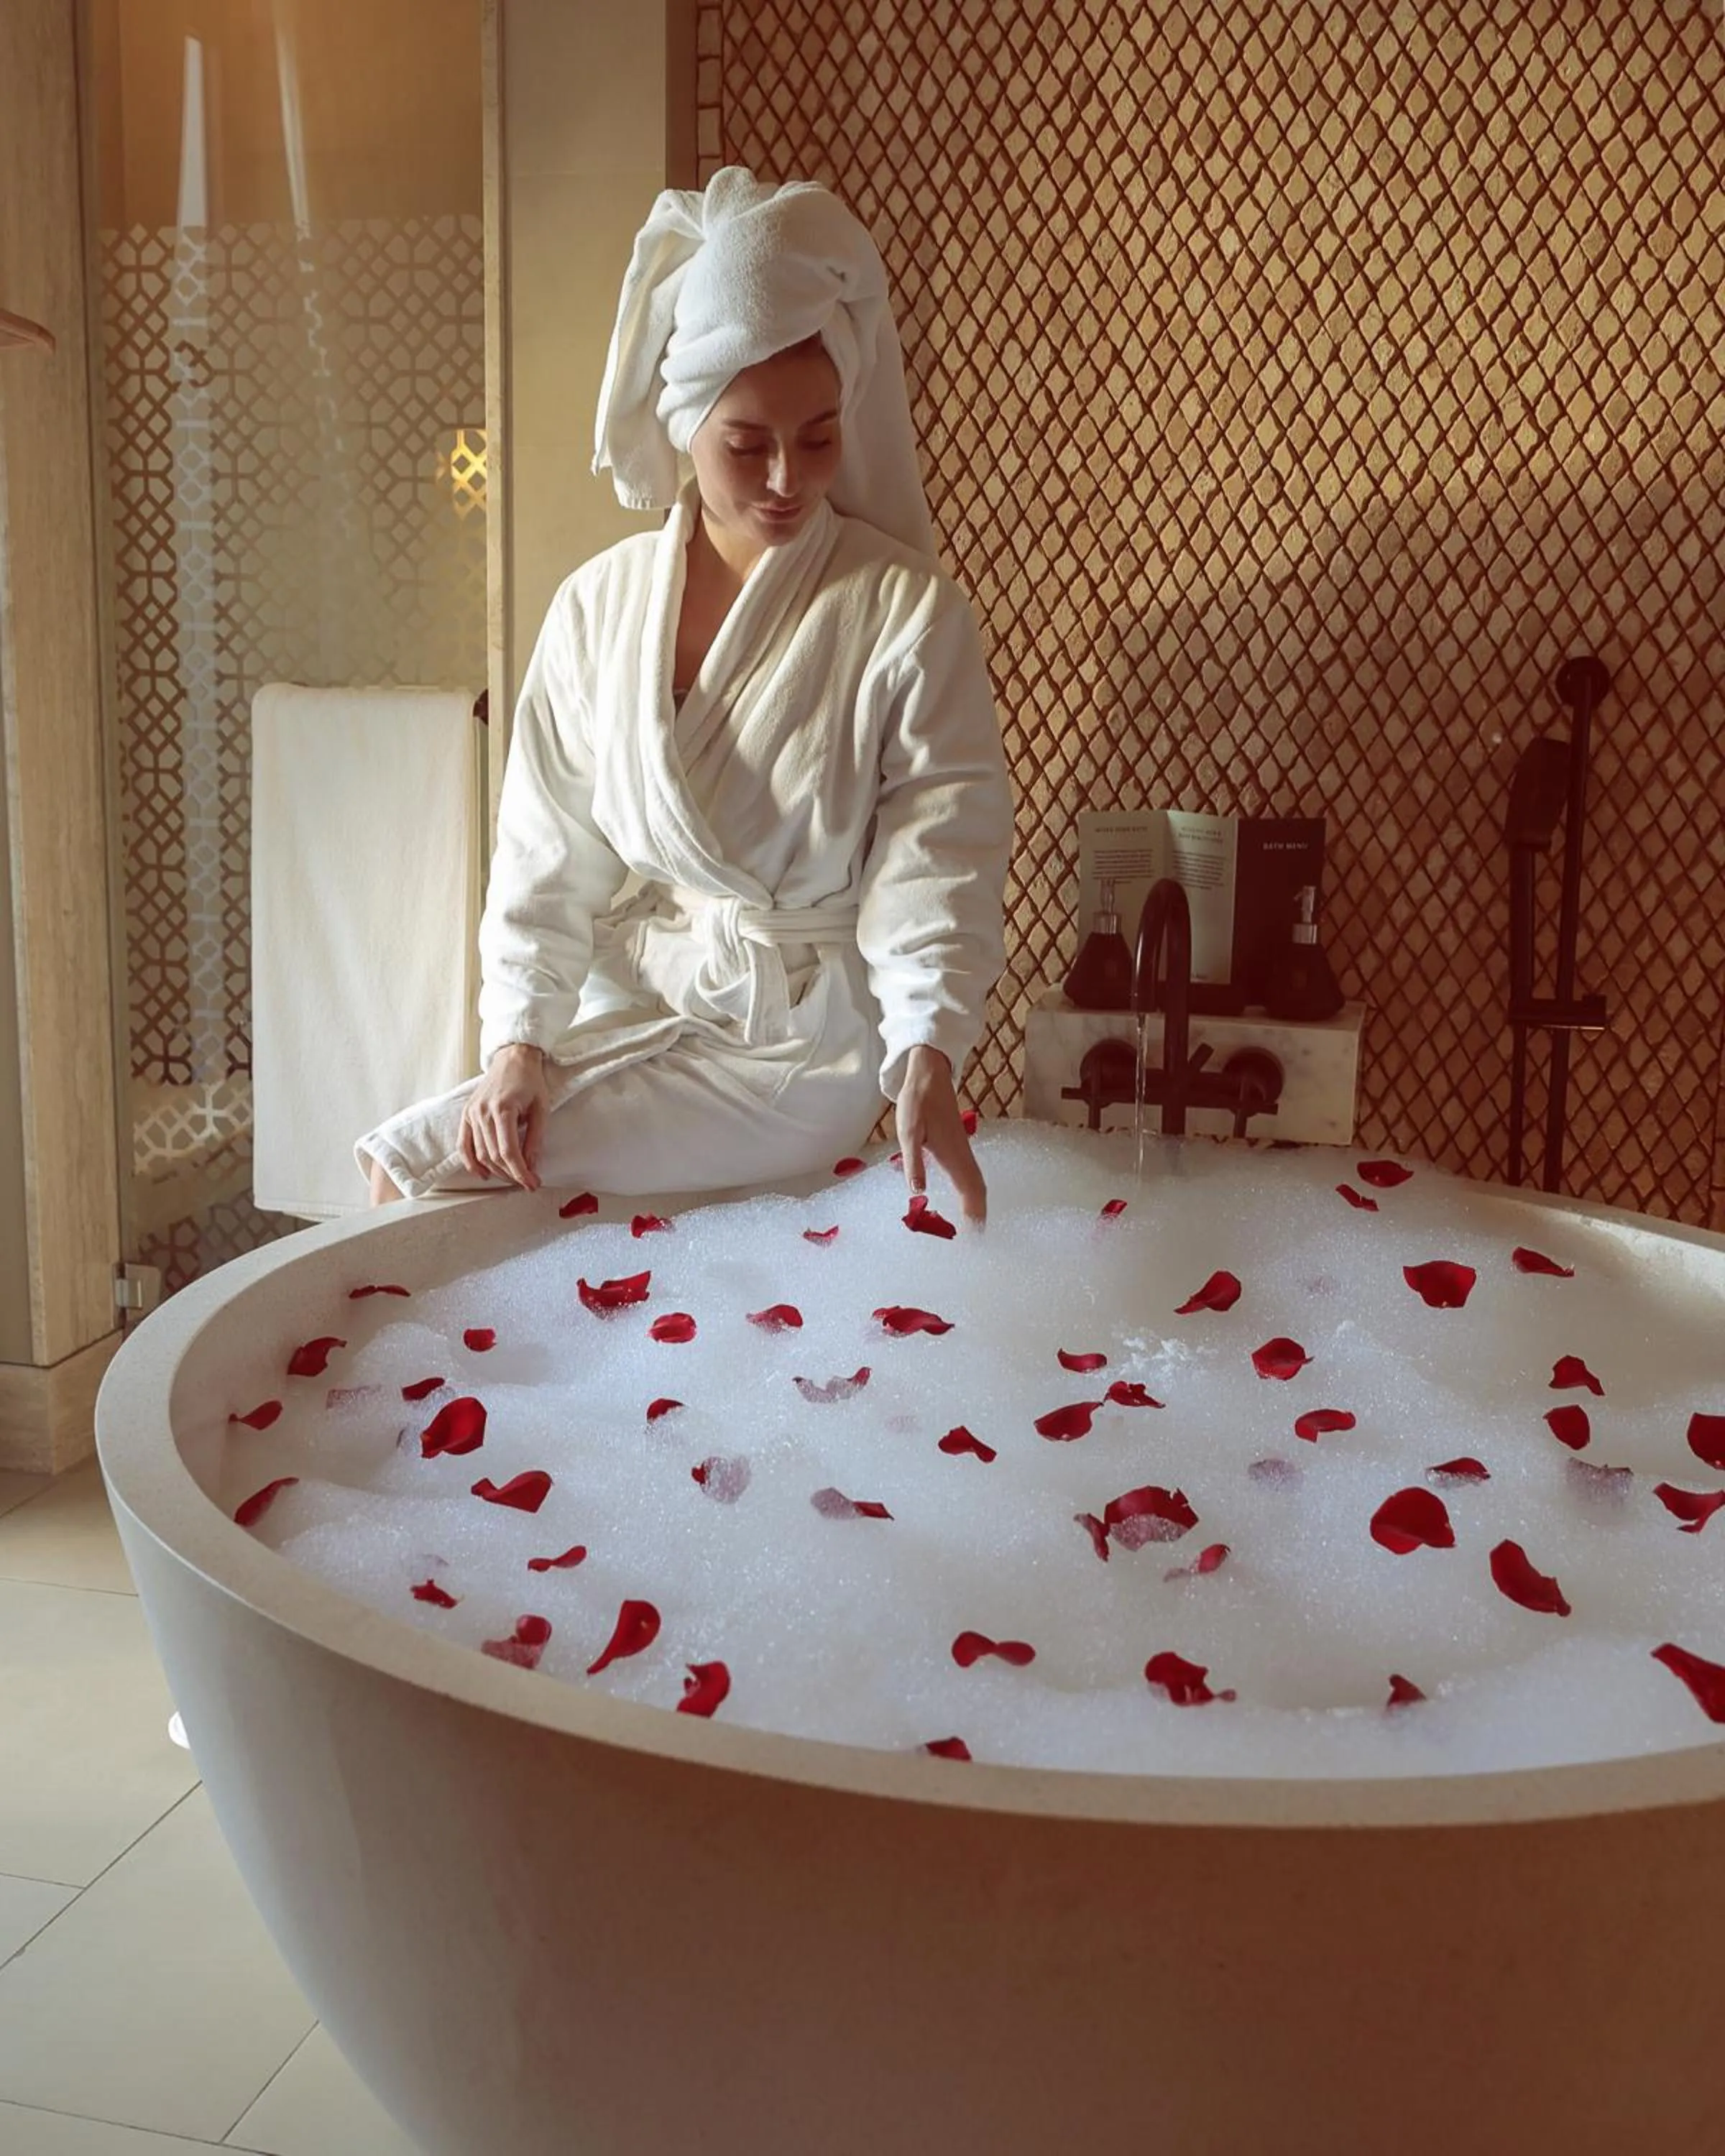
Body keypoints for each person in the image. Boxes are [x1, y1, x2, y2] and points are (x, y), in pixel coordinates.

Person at [355, 168, 1013, 1225]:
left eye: (820, 436)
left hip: (796, 1041)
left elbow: (940, 850)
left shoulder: (905, 611)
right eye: (747, 445)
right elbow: (546, 850)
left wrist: (927, 1046)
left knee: (418, 1163)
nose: (789, 479)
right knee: (436, 1147)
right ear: (684, 423)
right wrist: (519, 1040)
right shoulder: (597, 608)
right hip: (644, 989)